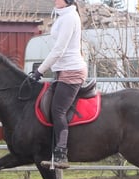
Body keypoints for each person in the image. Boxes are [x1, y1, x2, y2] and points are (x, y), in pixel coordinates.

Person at [33, 0, 87, 169]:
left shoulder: (70, 17)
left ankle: (61, 154)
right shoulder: (62, 16)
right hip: (62, 70)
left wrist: (40, 71)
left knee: (58, 110)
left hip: (71, 71)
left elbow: (59, 49)